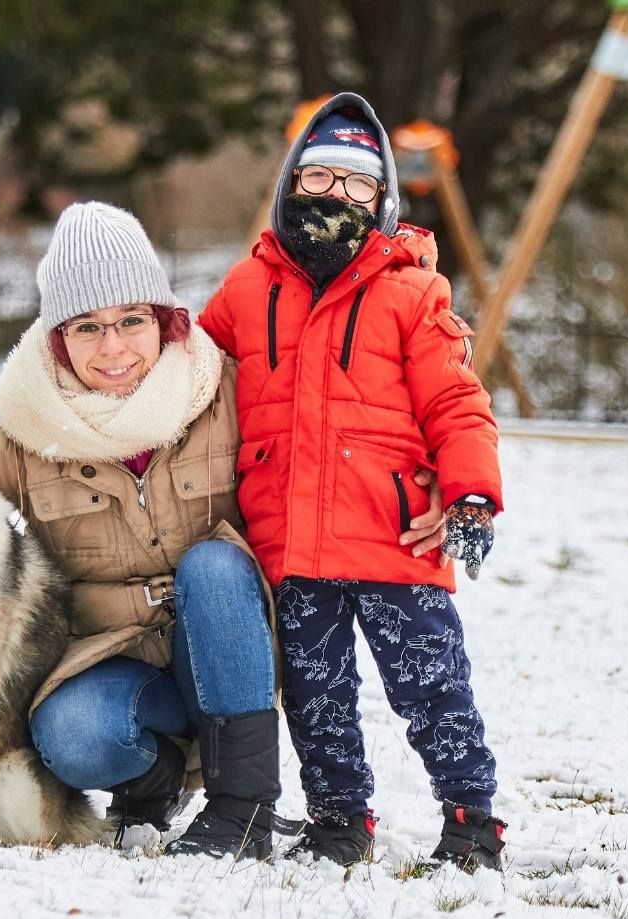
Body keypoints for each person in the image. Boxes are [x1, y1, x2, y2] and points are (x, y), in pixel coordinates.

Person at [0, 201, 446, 861]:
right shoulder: (29, 434)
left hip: (229, 650)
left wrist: (423, 472)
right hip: (115, 664)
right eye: (87, 327)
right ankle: (153, 782)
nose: (113, 348)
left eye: (131, 321)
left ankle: (244, 808)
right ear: (58, 338)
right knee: (71, 734)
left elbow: (334, 437)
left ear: (165, 321)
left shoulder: (224, 394)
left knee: (213, 565)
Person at [197, 93, 508, 871]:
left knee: (432, 689)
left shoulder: (412, 292)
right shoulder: (246, 288)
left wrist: (469, 493)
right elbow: (193, 371)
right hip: (291, 543)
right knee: (315, 699)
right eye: (320, 176)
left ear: (383, 198)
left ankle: (471, 820)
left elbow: (457, 401)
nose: (336, 194)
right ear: (290, 185)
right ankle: (339, 821)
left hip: (393, 536)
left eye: (357, 183)